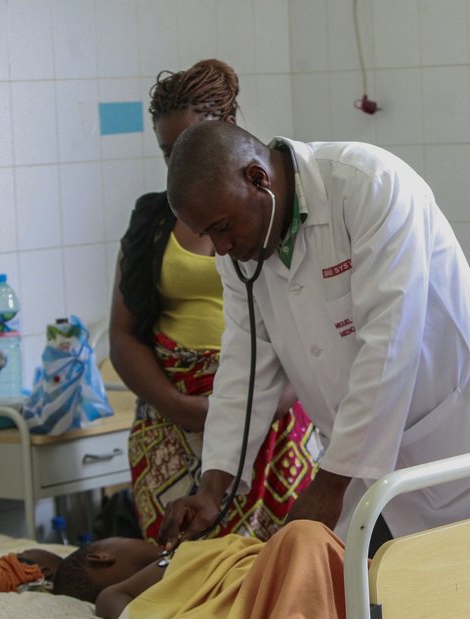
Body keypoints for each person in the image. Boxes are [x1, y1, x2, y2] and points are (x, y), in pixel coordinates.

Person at [157, 121, 470, 548]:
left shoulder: (368, 185)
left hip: (461, 432)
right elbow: (245, 363)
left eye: (222, 228)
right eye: (209, 235)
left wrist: (330, 484)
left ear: (258, 179)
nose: (220, 248)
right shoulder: (243, 251)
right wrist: (213, 485)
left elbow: (390, 342)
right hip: (367, 455)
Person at [109, 59, 316, 543]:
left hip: (273, 411)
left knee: (275, 566)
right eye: (167, 152)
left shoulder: (273, 218)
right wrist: (180, 406)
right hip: (171, 417)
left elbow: (303, 334)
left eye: (188, 144)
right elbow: (122, 334)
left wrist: (253, 409)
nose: (177, 162)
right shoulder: (151, 221)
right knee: (181, 566)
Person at [48, 520, 346, 619]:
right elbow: (109, 597)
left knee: (303, 542)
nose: (143, 541)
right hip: (266, 584)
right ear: (102, 557)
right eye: (127, 538)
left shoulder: (180, 564)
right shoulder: (164, 566)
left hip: (264, 575)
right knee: (302, 535)